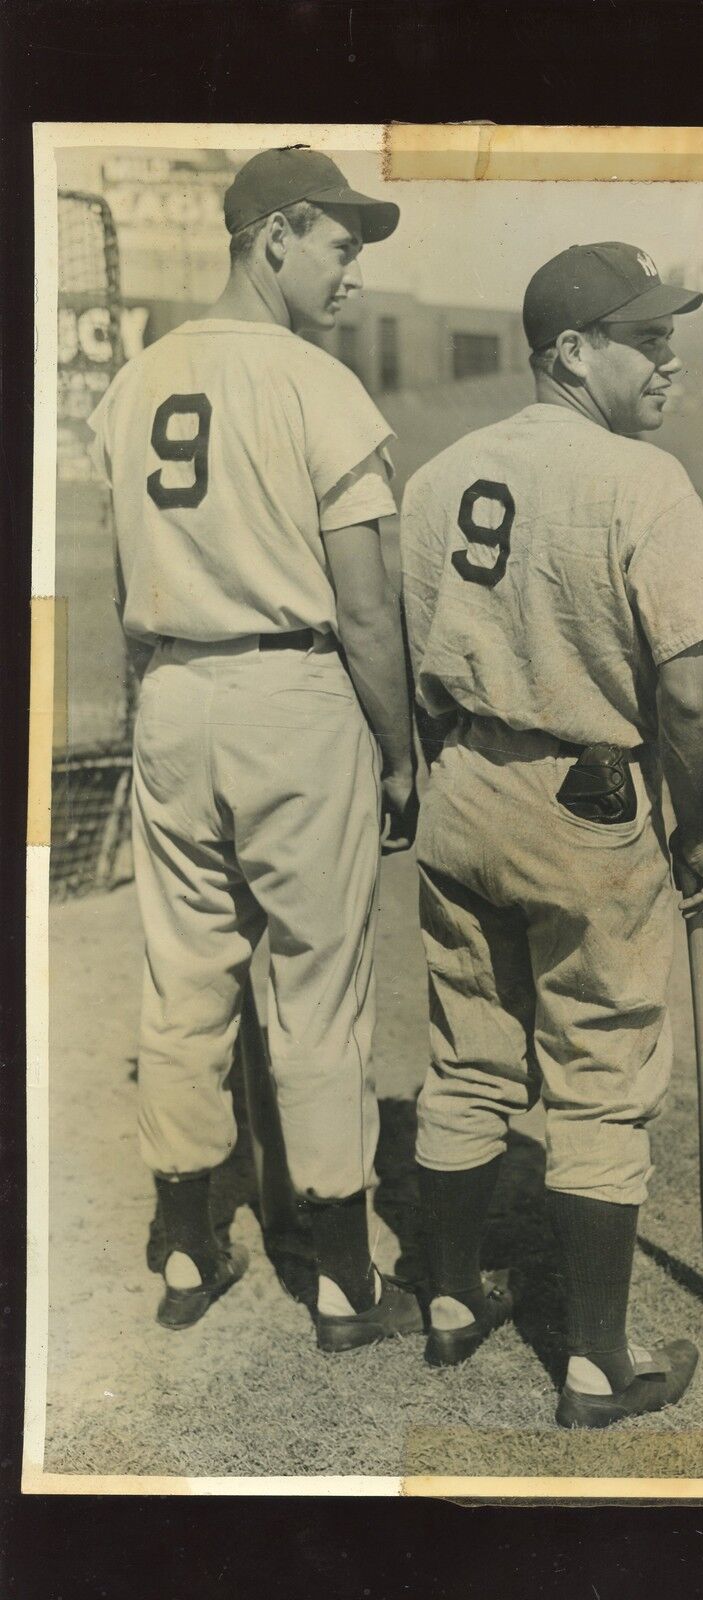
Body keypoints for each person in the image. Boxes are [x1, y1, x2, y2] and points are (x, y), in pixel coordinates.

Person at [400, 241, 703, 1427]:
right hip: (589, 803)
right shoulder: (639, 479)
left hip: (462, 785)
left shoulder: (440, 472)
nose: (669, 359)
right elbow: (691, 696)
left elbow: (411, 659)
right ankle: (599, 1365)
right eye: (645, 339)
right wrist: (695, 835)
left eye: (669, 335)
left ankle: (450, 1301)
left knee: (464, 1056)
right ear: (569, 354)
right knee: (598, 1078)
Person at [88, 147, 423, 1353]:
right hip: (295, 690)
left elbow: (127, 575)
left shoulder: (132, 384)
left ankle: (184, 1241)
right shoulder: (316, 383)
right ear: (274, 234)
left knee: (184, 977)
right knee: (318, 986)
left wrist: (162, 707)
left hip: (173, 689)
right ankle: (340, 1275)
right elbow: (371, 609)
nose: (353, 269)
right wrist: (399, 751)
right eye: (340, 242)